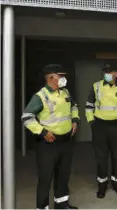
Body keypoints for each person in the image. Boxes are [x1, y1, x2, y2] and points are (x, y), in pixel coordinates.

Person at [21, 64, 79, 209]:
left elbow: (74, 107)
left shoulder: (65, 92)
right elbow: (26, 117)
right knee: (46, 178)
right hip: (48, 144)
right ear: (52, 78)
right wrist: (43, 132)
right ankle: (42, 207)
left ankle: (61, 204)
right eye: (61, 76)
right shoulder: (41, 96)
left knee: (63, 175)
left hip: (65, 142)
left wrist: (75, 120)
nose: (63, 78)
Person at [85, 63, 117, 199]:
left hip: (116, 127)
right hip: (99, 126)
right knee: (101, 158)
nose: (106, 73)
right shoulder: (96, 86)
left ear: (116, 73)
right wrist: (91, 122)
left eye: (109, 71)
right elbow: (89, 106)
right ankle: (102, 186)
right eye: (105, 71)